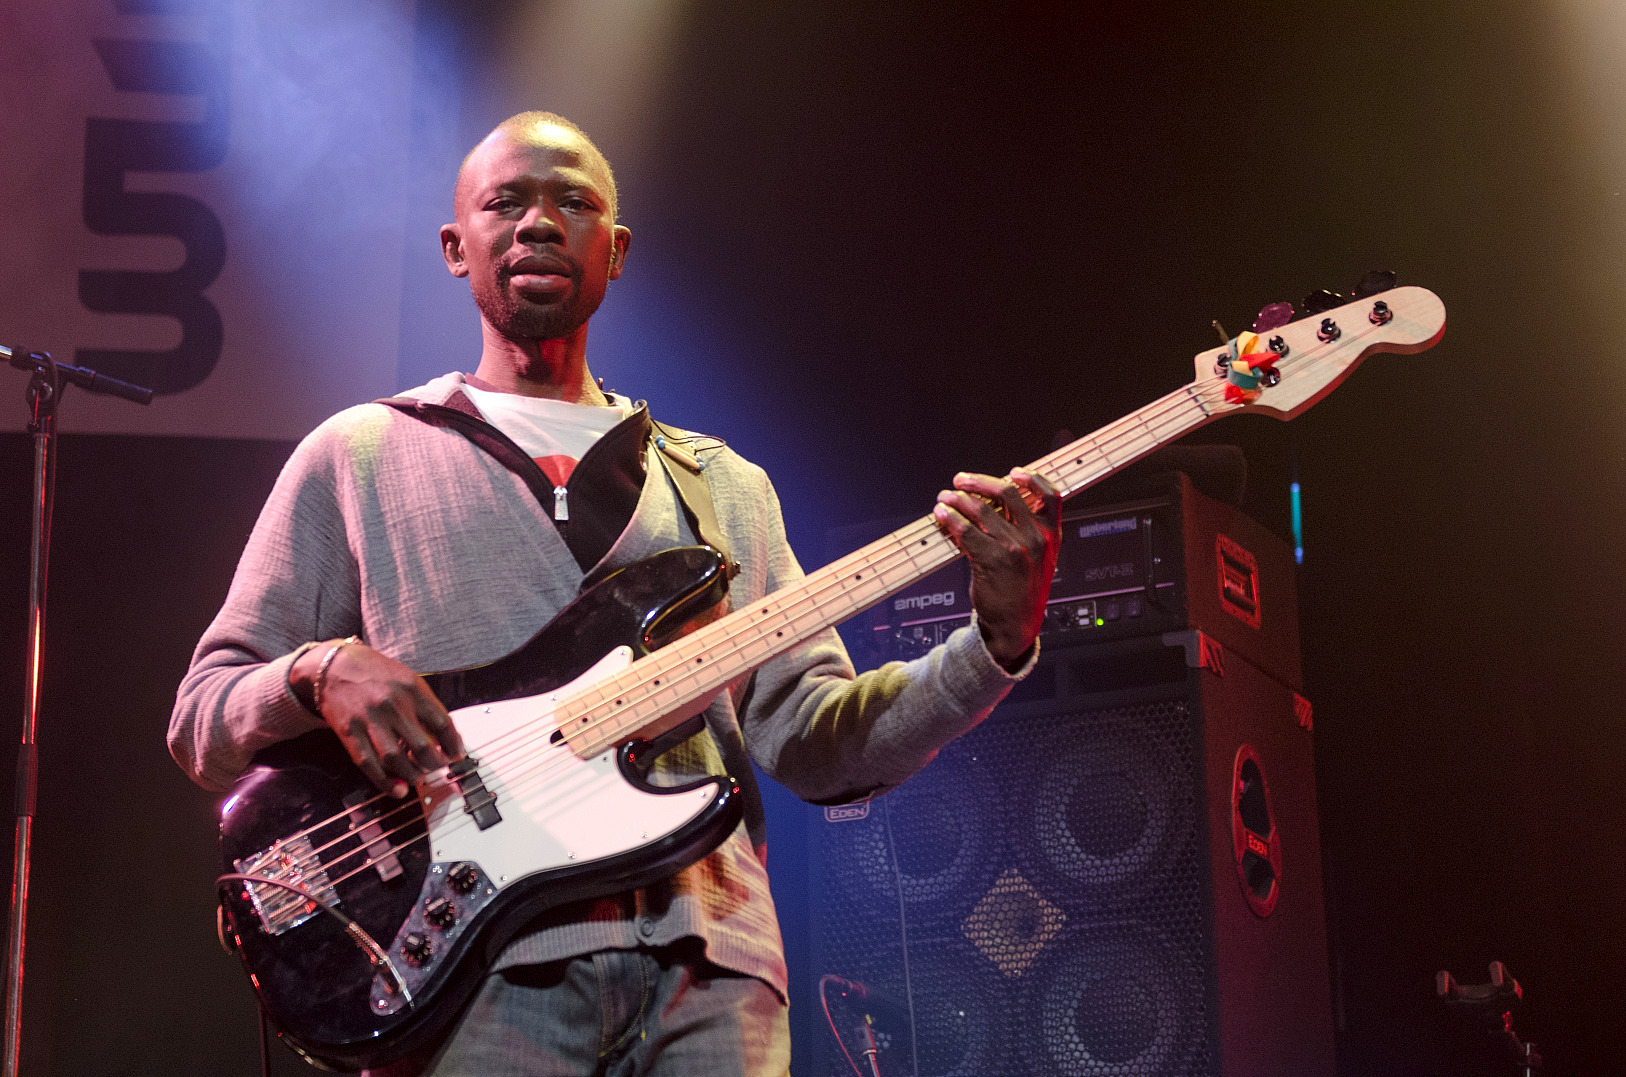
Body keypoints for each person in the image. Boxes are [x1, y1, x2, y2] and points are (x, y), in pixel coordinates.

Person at [169, 111, 1060, 1076]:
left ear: (617, 250)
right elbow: (203, 713)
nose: (539, 223)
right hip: (475, 977)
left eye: (574, 202)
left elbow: (815, 742)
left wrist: (993, 641)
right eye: (504, 202)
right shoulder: (360, 454)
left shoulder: (725, 486)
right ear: (454, 248)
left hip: (712, 976)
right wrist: (321, 668)